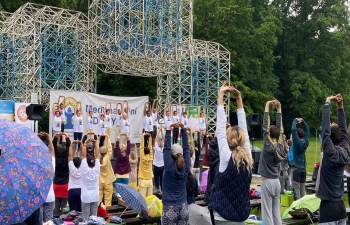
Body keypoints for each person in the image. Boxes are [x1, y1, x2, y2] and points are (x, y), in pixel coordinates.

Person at [208, 82, 253, 224]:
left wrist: (221, 94)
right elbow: (244, 129)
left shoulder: (227, 158)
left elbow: (220, 128)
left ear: (228, 140)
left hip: (222, 215)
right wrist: (238, 99)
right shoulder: (249, 159)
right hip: (241, 215)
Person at [316, 94, 350, 225]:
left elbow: (325, 131)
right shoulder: (345, 152)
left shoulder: (330, 152)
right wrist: (340, 107)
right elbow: (343, 132)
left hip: (328, 207)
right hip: (340, 205)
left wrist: (327, 103)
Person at [258, 99, 289, 225]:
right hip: (276, 182)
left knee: (267, 213)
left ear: (269, 135)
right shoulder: (281, 145)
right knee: (276, 212)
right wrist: (279, 108)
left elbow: (265, 125)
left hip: (267, 181)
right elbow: (280, 127)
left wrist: (267, 105)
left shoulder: (268, 145)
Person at [162, 122, 190, 224]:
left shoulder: (169, 167)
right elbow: (186, 147)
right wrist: (183, 129)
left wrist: (169, 128)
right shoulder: (186, 166)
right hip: (183, 205)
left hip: (169, 207)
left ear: (171, 155)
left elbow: (166, 148)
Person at [81, 138, 100, 221]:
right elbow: (97, 154)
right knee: (94, 218)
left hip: (85, 197)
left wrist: (85, 143)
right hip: (95, 196)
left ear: (86, 162)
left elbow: (83, 155)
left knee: (85, 219)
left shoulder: (84, 168)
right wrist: (96, 143)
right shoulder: (97, 169)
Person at [290, 117, 309, 200]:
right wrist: (303, 122)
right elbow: (307, 130)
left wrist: (295, 120)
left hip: (296, 169)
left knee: (296, 191)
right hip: (303, 169)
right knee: (303, 191)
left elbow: (293, 130)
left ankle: (299, 209)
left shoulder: (296, 142)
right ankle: (304, 208)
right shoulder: (306, 142)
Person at [53, 133, 71, 216]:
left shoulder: (55, 161)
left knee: (56, 205)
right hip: (65, 185)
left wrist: (55, 138)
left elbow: (53, 149)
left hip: (56, 185)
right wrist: (67, 137)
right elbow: (68, 149)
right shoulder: (66, 161)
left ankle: (55, 218)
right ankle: (65, 220)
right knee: (64, 206)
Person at [42, 132, 55, 222]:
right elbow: (52, 152)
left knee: (39, 221)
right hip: (50, 197)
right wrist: (49, 139)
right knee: (49, 220)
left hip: (40, 198)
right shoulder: (52, 165)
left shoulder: (36, 167)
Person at [98, 135, 115, 207]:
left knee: (98, 200)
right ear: (106, 152)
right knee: (108, 201)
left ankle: (97, 213)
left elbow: (96, 149)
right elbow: (110, 148)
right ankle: (108, 215)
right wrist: (108, 138)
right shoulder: (107, 157)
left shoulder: (97, 158)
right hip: (108, 182)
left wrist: (98, 139)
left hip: (99, 182)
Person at [68, 139, 82, 212]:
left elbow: (70, 156)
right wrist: (82, 144)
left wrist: (71, 145)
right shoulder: (83, 168)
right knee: (80, 212)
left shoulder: (71, 167)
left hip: (72, 191)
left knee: (72, 213)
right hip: (81, 190)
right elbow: (84, 155)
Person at [138, 133, 154, 198]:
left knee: (143, 199)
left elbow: (141, 148)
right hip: (150, 180)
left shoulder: (142, 158)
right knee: (149, 199)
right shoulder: (151, 158)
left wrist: (142, 137)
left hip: (143, 181)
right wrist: (150, 138)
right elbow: (150, 148)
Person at [153, 127, 164, 194]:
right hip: (162, 166)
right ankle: (162, 191)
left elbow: (156, 139)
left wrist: (158, 131)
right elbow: (164, 139)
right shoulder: (164, 148)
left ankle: (157, 192)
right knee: (162, 180)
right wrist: (161, 131)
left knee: (156, 180)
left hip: (156, 166)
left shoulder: (156, 148)